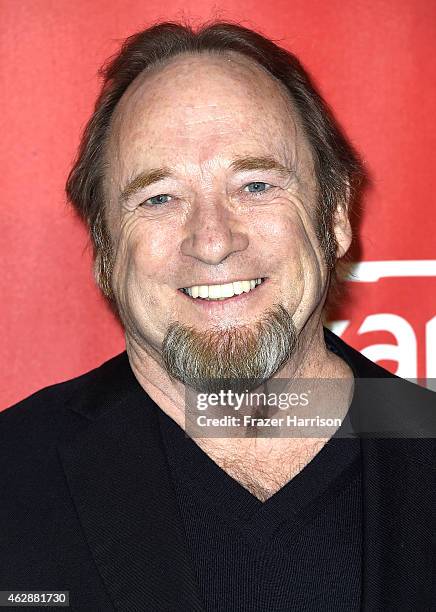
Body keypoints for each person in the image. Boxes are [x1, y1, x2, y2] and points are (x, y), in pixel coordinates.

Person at [1, 21, 434, 612]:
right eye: (159, 198)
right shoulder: (13, 475)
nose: (211, 240)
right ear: (104, 251)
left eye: (255, 185)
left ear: (334, 216)